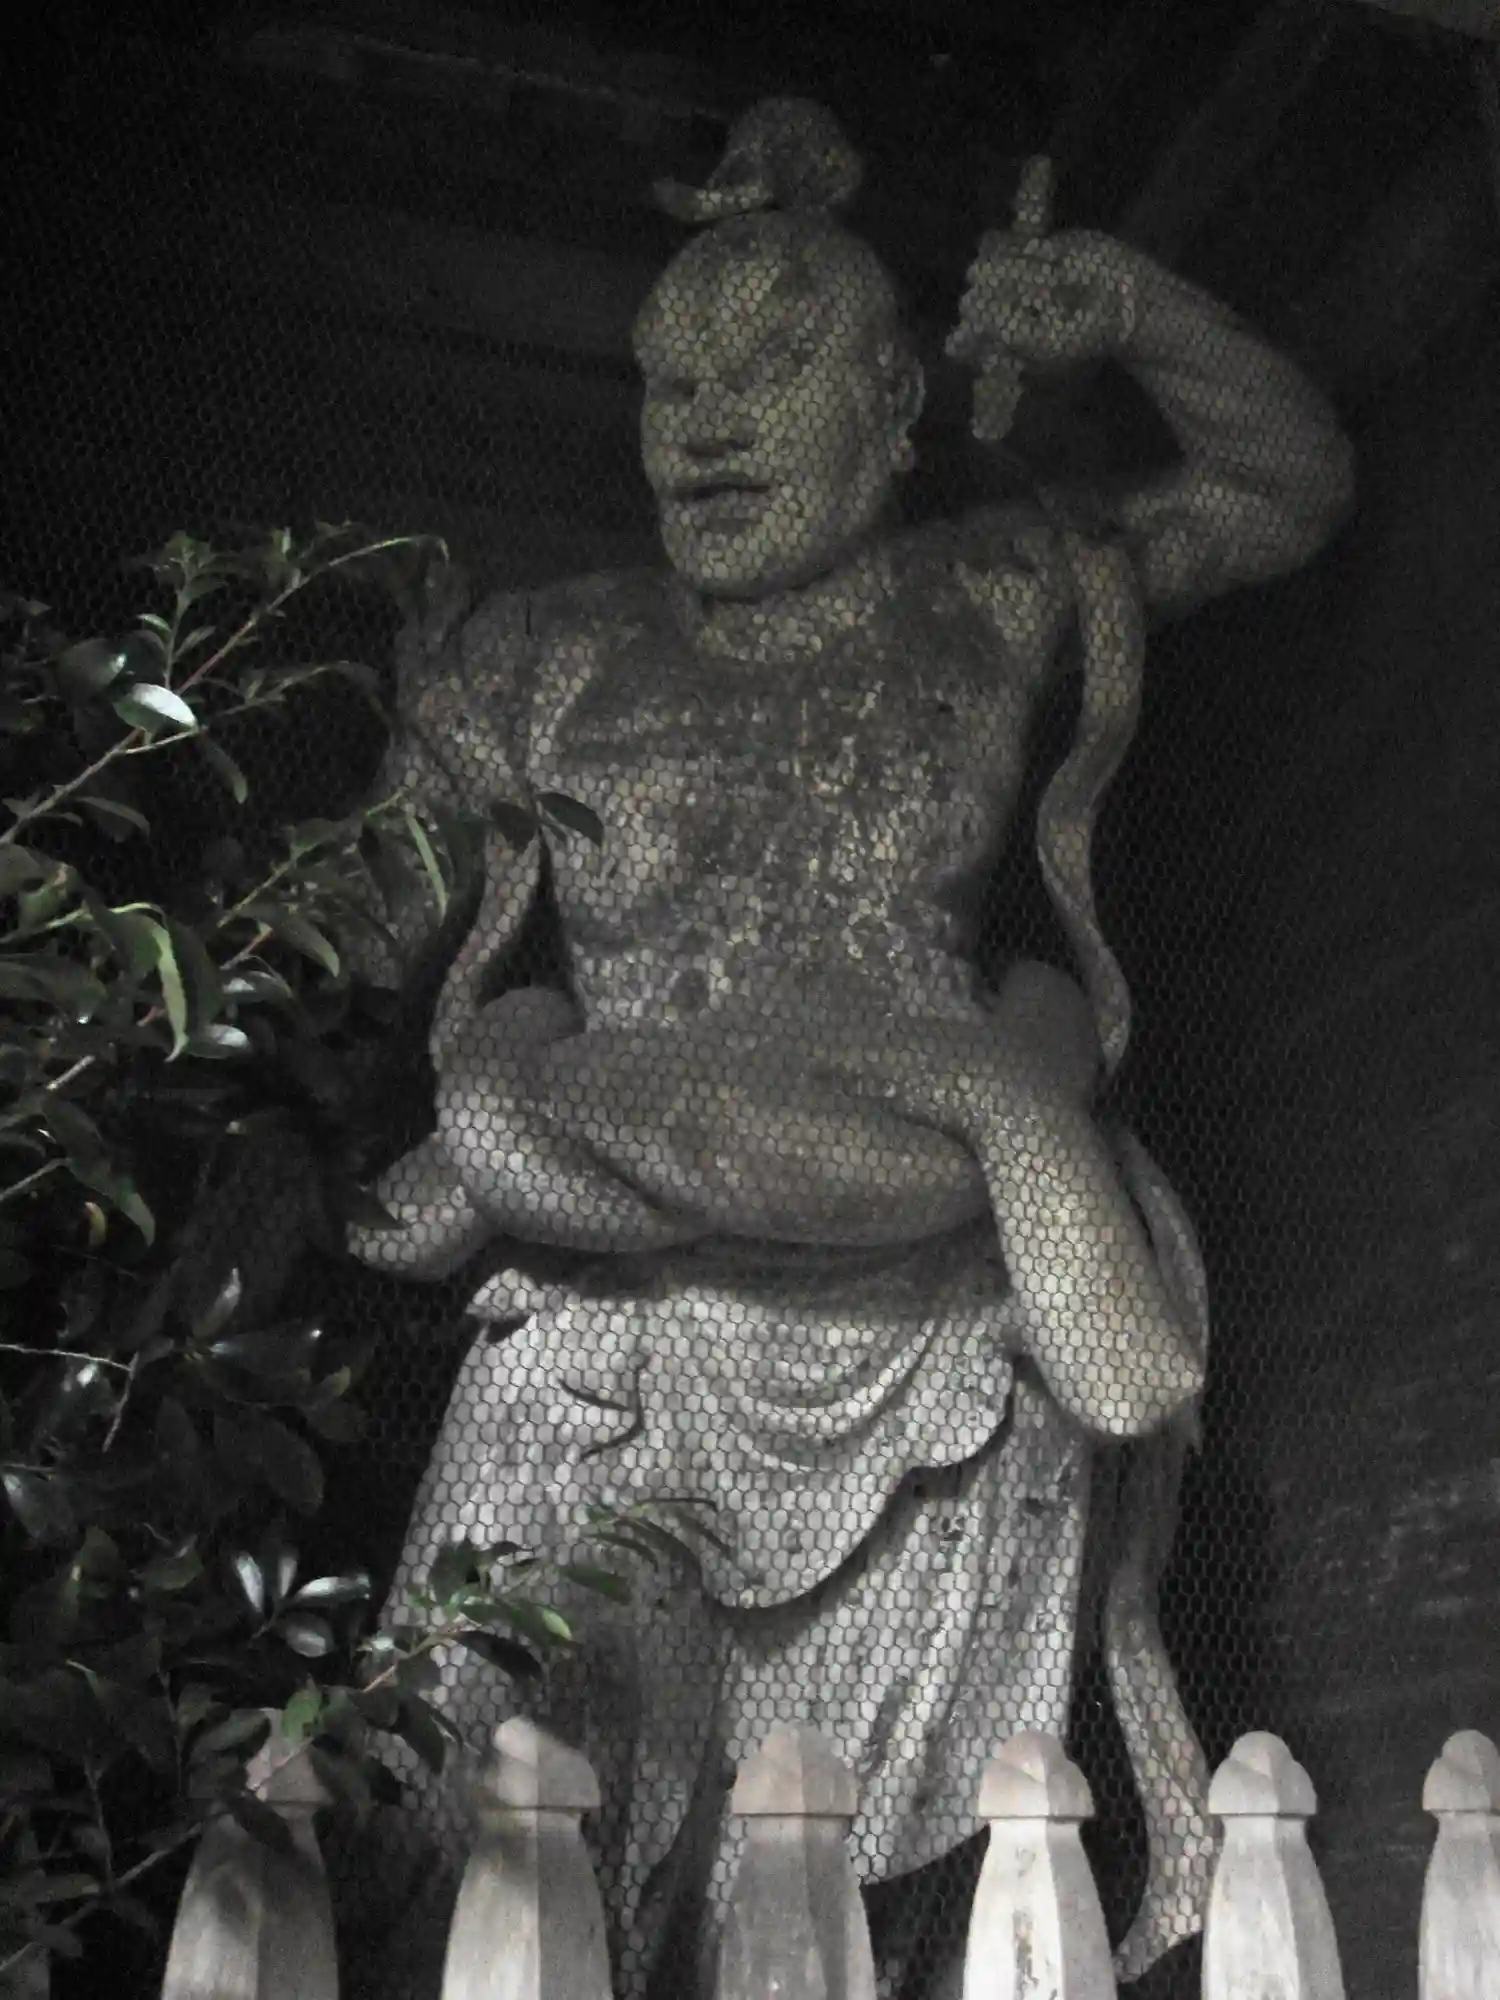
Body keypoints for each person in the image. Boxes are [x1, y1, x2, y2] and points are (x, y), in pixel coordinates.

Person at [347, 98, 1354, 1997]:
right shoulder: (536, 656)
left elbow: (1285, 489)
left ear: (896, 404)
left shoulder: (997, 589)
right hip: (610, 1304)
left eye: (769, 373)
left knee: (888, 1905)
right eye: (672, 387)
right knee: (483, 1822)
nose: (707, 426)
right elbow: (341, 939)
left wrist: (1133, 309)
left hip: (932, 1300)